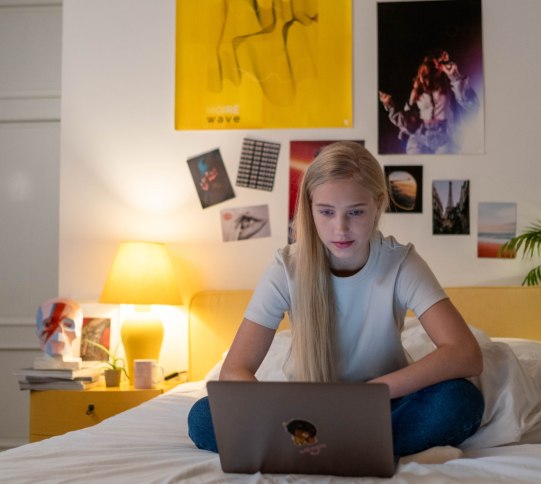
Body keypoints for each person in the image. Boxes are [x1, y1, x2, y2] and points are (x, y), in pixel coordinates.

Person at [188, 142, 485, 460]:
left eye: (355, 212)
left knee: (460, 400)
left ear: (378, 204)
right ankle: (361, 449)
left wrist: (370, 393)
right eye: (326, 212)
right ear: (310, 206)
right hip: (302, 413)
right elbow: (235, 370)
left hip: (384, 403)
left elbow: (465, 353)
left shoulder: (401, 263)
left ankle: (314, 451)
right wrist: (274, 409)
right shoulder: (285, 268)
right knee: (204, 415)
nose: (340, 228)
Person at [380, 49, 479, 154]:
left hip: (446, 135)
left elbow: (468, 102)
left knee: (445, 164)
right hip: (420, 136)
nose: (439, 62)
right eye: (437, 58)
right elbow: (407, 120)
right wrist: (390, 105)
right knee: (415, 162)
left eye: (442, 60)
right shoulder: (417, 89)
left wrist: (453, 74)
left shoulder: (451, 85)